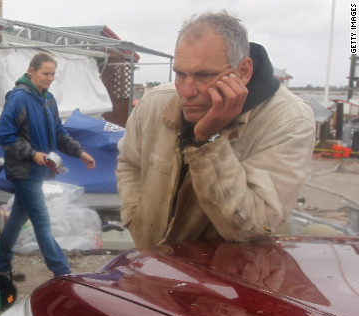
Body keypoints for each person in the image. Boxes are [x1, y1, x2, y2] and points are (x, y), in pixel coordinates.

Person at [116, 11, 315, 249]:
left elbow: (248, 227)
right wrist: (134, 217)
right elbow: (130, 164)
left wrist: (208, 140)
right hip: (152, 265)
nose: (187, 91)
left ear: (243, 71)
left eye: (204, 75)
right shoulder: (154, 104)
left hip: (223, 279)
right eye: (180, 73)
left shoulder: (288, 121)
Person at [0, 52, 96, 277]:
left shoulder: (48, 100)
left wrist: (80, 152)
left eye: (53, 74)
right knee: (42, 223)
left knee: (18, 217)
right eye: (45, 73)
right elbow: (4, 136)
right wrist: (33, 155)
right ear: (32, 71)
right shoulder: (19, 98)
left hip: (39, 170)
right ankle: (63, 274)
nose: (50, 78)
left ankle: (0, 266)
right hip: (24, 170)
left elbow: (59, 133)